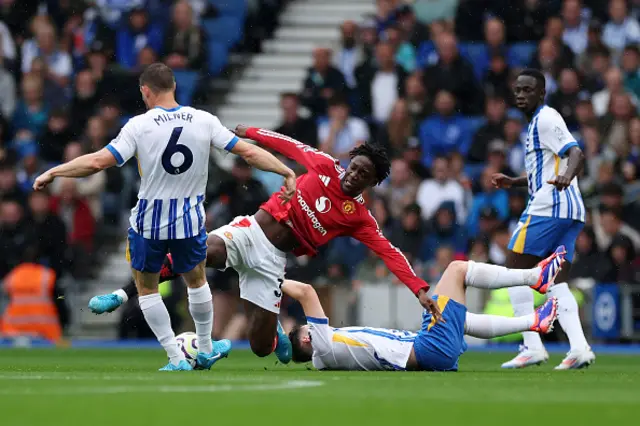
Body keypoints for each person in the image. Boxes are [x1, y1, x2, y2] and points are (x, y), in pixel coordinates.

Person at [88, 128, 446, 364]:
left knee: (260, 348)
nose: (352, 175)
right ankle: (121, 294)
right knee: (199, 253)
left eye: (362, 175)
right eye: (353, 167)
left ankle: (271, 328)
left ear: (372, 182)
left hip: (273, 262)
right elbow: (287, 144)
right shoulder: (322, 165)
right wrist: (246, 134)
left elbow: (388, 252)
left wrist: (420, 289)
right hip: (250, 231)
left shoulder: (358, 216)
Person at [33, 63, 297, 371]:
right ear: (174, 87)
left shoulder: (139, 125)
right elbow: (248, 153)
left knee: (147, 288)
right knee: (197, 282)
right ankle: (206, 348)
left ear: (146, 91)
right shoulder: (203, 120)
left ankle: (175, 358)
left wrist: (55, 170)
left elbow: (97, 162)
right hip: (189, 218)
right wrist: (285, 170)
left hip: (149, 220)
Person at [284, 248, 565, 371]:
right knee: (456, 270)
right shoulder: (322, 345)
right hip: (428, 347)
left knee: (460, 319)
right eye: (310, 328)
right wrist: (272, 281)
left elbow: (291, 346)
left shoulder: (321, 361)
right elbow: (306, 292)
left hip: (431, 354)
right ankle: (534, 278)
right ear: (308, 338)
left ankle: (534, 321)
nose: (317, 325)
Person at [491, 69, 596, 370]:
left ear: (541, 93)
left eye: (528, 90)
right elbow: (544, 171)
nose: (521, 95)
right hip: (571, 210)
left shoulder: (547, 119)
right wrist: (513, 181)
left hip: (549, 206)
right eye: (518, 90)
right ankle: (579, 347)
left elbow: (576, 153)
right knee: (555, 281)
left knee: (514, 270)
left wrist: (566, 175)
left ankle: (532, 346)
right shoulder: (538, 123)